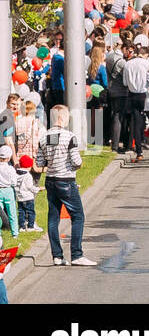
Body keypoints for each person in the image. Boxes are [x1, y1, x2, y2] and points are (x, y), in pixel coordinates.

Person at [35, 105, 95, 265]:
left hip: (50, 180)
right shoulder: (69, 136)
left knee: (53, 218)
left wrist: (52, 162)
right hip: (66, 180)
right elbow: (76, 161)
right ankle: (76, 254)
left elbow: (40, 162)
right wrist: (76, 165)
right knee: (78, 216)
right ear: (61, 118)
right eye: (67, 116)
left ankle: (57, 256)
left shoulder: (43, 137)